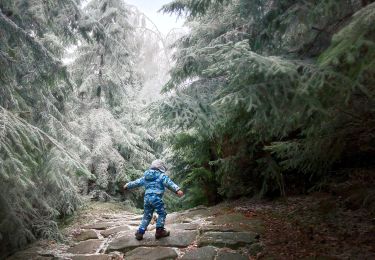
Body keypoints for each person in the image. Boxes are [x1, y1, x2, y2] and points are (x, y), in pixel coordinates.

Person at [123, 159, 184, 240]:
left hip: (147, 199)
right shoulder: (161, 176)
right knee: (162, 213)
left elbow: (136, 182)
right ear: (161, 168)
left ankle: (140, 232)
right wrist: (177, 190)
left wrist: (127, 185)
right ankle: (159, 231)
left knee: (146, 216)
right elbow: (169, 183)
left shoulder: (145, 177)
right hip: (156, 198)